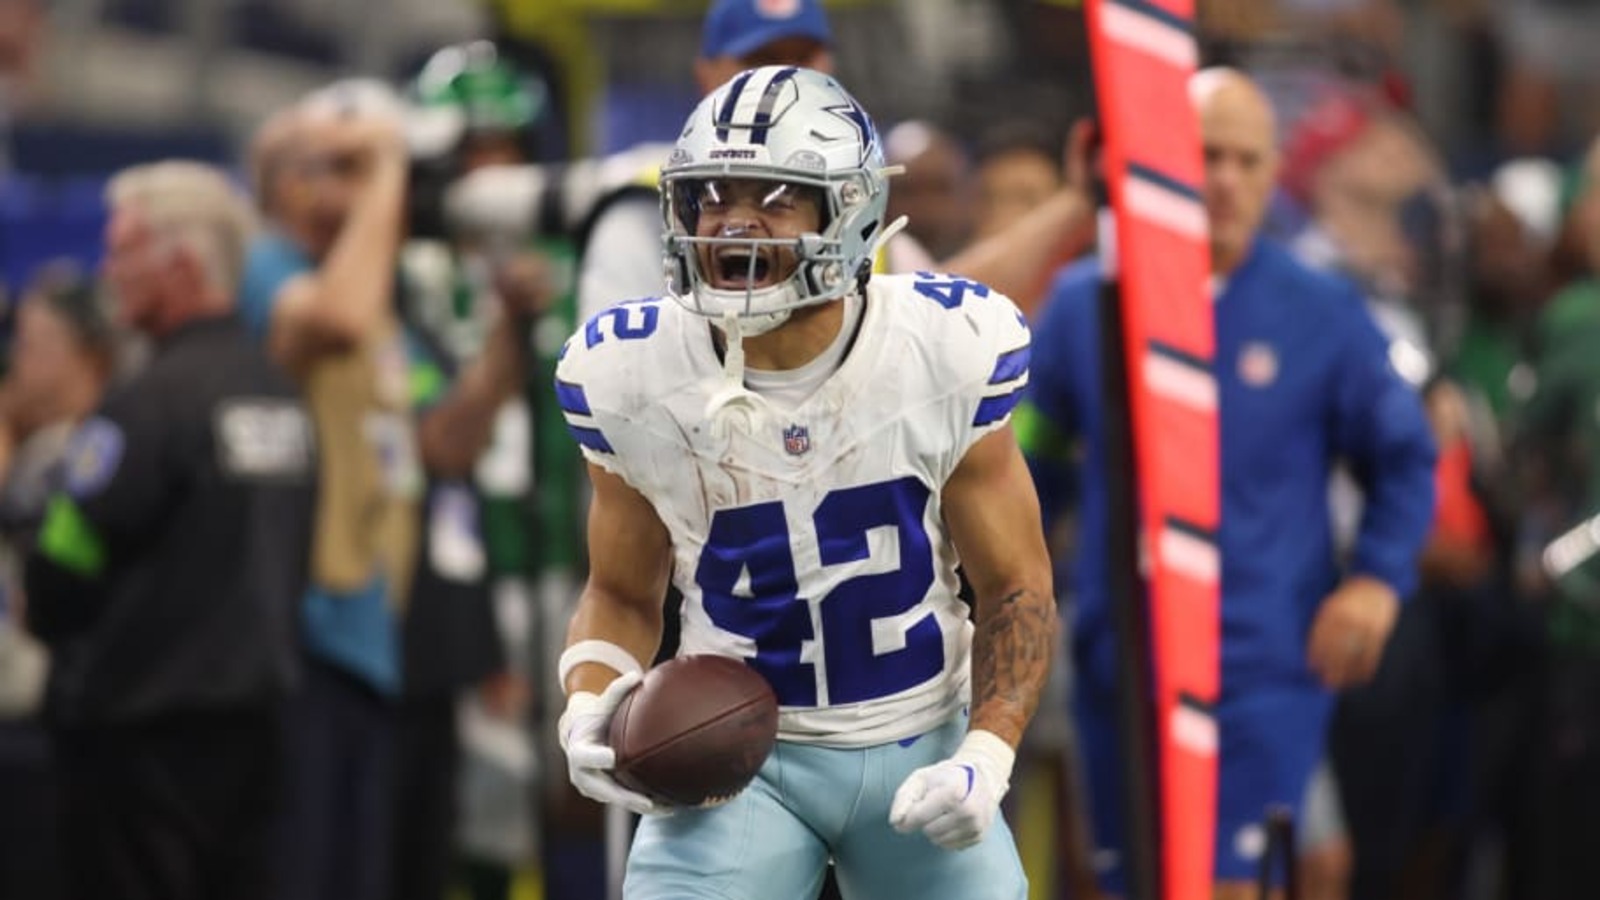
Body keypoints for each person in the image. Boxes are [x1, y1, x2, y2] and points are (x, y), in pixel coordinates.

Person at [552, 66, 1057, 899]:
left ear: (849, 211)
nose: (732, 226)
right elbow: (620, 593)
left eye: (774, 198)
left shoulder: (940, 347)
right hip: (738, 763)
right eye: (711, 198)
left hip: (919, 743)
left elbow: (1016, 586)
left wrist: (986, 754)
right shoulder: (633, 370)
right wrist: (587, 704)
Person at [1020, 67, 1437, 900]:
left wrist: (1376, 584)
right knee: (1126, 877)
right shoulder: (1083, 305)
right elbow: (1032, 463)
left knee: (1237, 884)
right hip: (1120, 662)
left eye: (1248, 160)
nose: (1226, 180)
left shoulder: (1320, 310)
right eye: (1206, 155)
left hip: (1260, 666)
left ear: (1277, 170)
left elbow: (1404, 454)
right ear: (1162, 161)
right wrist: (1014, 591)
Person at [25, 161, 317, 900]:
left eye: (122, 250)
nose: (108, 270)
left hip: (138, 749)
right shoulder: (278, 396)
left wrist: (47, 597)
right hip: (258, 740)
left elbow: (62, 561)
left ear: (180, 264)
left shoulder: (145, 407)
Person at [0, 265, 117, 900]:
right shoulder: (34, 445)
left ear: (89, 356)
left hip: (56, 720)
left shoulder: (89, 453)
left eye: (35, 345)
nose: (18, 361)